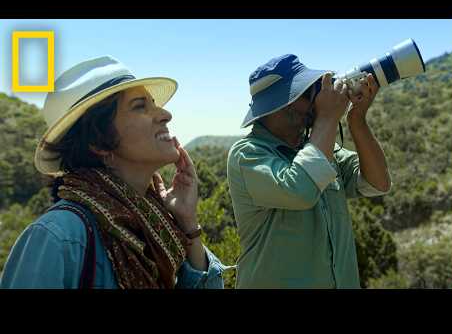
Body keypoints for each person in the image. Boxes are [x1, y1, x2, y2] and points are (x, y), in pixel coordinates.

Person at [0, 56, 227, 289]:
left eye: (153, 102)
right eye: (140, 106)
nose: (165, 114)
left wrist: (188, 223)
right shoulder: (58, 237)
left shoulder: (160, 228)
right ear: (99, 143)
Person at [227, 54, 392, 289]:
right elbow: (300, 190)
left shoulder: (320, 149)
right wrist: (327, 118)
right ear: (280, 104)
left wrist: (357, 120)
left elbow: (378, 183)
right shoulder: (247, 155)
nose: (317, 100)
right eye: (308, 92)